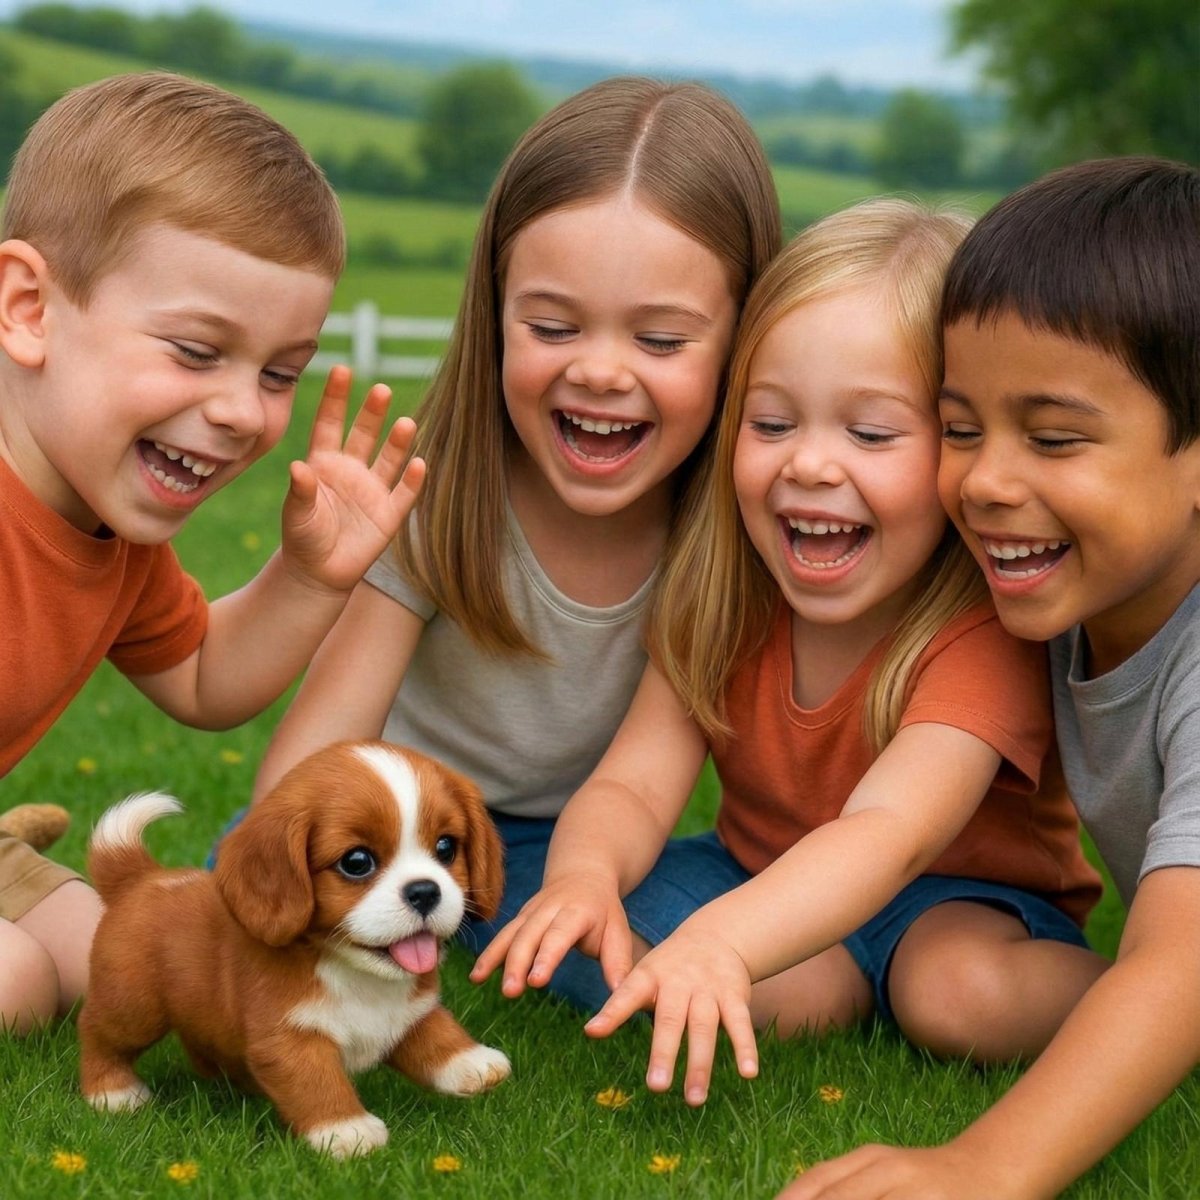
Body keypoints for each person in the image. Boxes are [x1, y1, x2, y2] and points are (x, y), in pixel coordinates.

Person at [474, 198, 1104, 1105]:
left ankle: (1152, 997)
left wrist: (724, 939)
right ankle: (721, 959)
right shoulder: (727, 597)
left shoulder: (978, 634)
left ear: (959, 446)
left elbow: (884, 836)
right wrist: (584, 878)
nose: (808, 465)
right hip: (755, 871)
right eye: (772, 426)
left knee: (955, 997)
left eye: (871, 433)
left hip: (956, 904)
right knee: (750, 978)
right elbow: (632, 784)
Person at [249, 76, 782, 1010]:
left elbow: (638, 783)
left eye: (660, 339)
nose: (600, 370)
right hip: (384, 829)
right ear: (494, 312)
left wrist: (584, 883)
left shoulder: (725, 541)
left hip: (569, 844)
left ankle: (484, 928)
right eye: (551, 326)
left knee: (753, 975)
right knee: (245, 909)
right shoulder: (438, 493)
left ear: (743, 343)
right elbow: (311, 765)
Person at [782, 158, 1200, 1200]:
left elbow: (1179, 966)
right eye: (961, 429)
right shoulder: (1069, 588)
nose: (987, 481)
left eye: (1054, 438)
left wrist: (986, 1165)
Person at [0, 72, 426, 1036]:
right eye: (197, 352)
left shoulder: (116, 539)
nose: (243, 411)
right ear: (29, 307)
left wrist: (310, 575)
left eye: (279, 372)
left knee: (128, 950)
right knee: (15, 984)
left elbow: (201, 679)